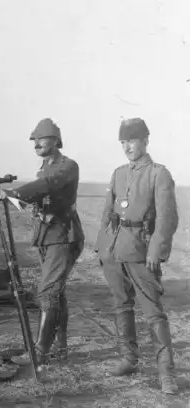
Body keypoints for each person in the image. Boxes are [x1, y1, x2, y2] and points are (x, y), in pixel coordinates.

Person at [94, 118, 178, 394]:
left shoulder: (158, 174)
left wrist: (156, 251)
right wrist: (102, 248)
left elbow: (167, 219)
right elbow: (108, 213)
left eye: (131, 141)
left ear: (145, 141)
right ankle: (129, 360)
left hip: (142, 253)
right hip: (115, 251)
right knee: (121, 306)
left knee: (153, 313)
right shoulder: (118, 173)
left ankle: (166, 374)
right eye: (123, 142)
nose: (126, 147)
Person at [0, 118, 85, 365]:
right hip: (46, 236)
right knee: (56, 293)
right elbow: (39, 196)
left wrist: (16, 192)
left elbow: (47, 185)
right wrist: (15, 200)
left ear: (55, 140)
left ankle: (40, 352)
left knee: (47, 292)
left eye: (41, 139)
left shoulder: (67, 166)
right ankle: (60, 347)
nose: (36, 144)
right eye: (34, 140)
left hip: (64, 236)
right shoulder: (44, 168)